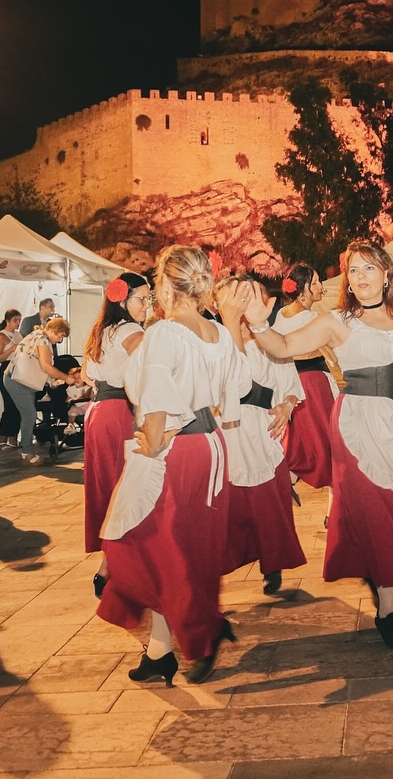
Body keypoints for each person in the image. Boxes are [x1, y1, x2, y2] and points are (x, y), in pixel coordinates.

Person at [240, 240, 393, 651]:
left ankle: (378, 573)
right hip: (359, 425)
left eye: (368, 269)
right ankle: (388, 609)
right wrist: (258, 323)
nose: (360, 277)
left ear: (388, 274)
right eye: (354, 271)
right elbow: (284, 347)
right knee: (379, 510)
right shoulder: (337, 321)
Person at [97, 246, 249, 687]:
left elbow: (158, 388)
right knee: (180, 549)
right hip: (210, 445)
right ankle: (162, 651)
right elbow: (238, 384)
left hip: (175, 449)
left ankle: (201, 631)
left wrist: (154, 437)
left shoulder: (165, 332)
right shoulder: (217, 332)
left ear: (165, 284)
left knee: (152, 547)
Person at [215, 276, 307, 596]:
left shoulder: (270, 340)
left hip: (259, 429)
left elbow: (291, 388)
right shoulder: (213, 341)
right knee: (226, 509)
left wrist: (286, 406)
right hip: (222, 431)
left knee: (268, 506)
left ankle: (273, 563)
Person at [81, 274, 149, 599]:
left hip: (97, 413)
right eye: (142, 299)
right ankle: (114, 567)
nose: (147, 306)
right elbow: (149, 367)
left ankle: (110, 566)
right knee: (128, 488)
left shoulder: (101, 329)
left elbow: (85, 373)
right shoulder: (131, 331)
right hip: (120, 412)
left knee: (111, 488)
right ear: (123, 301)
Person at [273, 264, 335, 490]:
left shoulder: (282, 313)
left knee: (299, 443)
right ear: (303, 289)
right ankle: (334, 511)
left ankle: (286, 486)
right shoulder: (311, 317)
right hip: (313, 382)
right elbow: (331, 354)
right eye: (316, 282)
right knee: (329, 443)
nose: (321, 287)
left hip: (289, 382)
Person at [5, 316, 77, 466]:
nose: (60, 340)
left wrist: (52, 382)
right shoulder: (43, 340)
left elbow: (40, 365)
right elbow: (46, 367)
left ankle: (27, 450)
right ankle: (27, 452)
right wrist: (66, 378)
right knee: (29, 414)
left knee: (28, 415)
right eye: (60, 336)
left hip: (19, 380)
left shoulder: (37, 336)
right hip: (17, 381)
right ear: (52, 330)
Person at [0, 310, 23, 450]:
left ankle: (13, 437)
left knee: (17, 405)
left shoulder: (18, 334)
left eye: (19, 320)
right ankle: (3, 437)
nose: (18, 323)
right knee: (9, 405)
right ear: (7, 321)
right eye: (16, 320)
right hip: (6, 369)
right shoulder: (1, 336)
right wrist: (11, 350)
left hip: (19, 370)